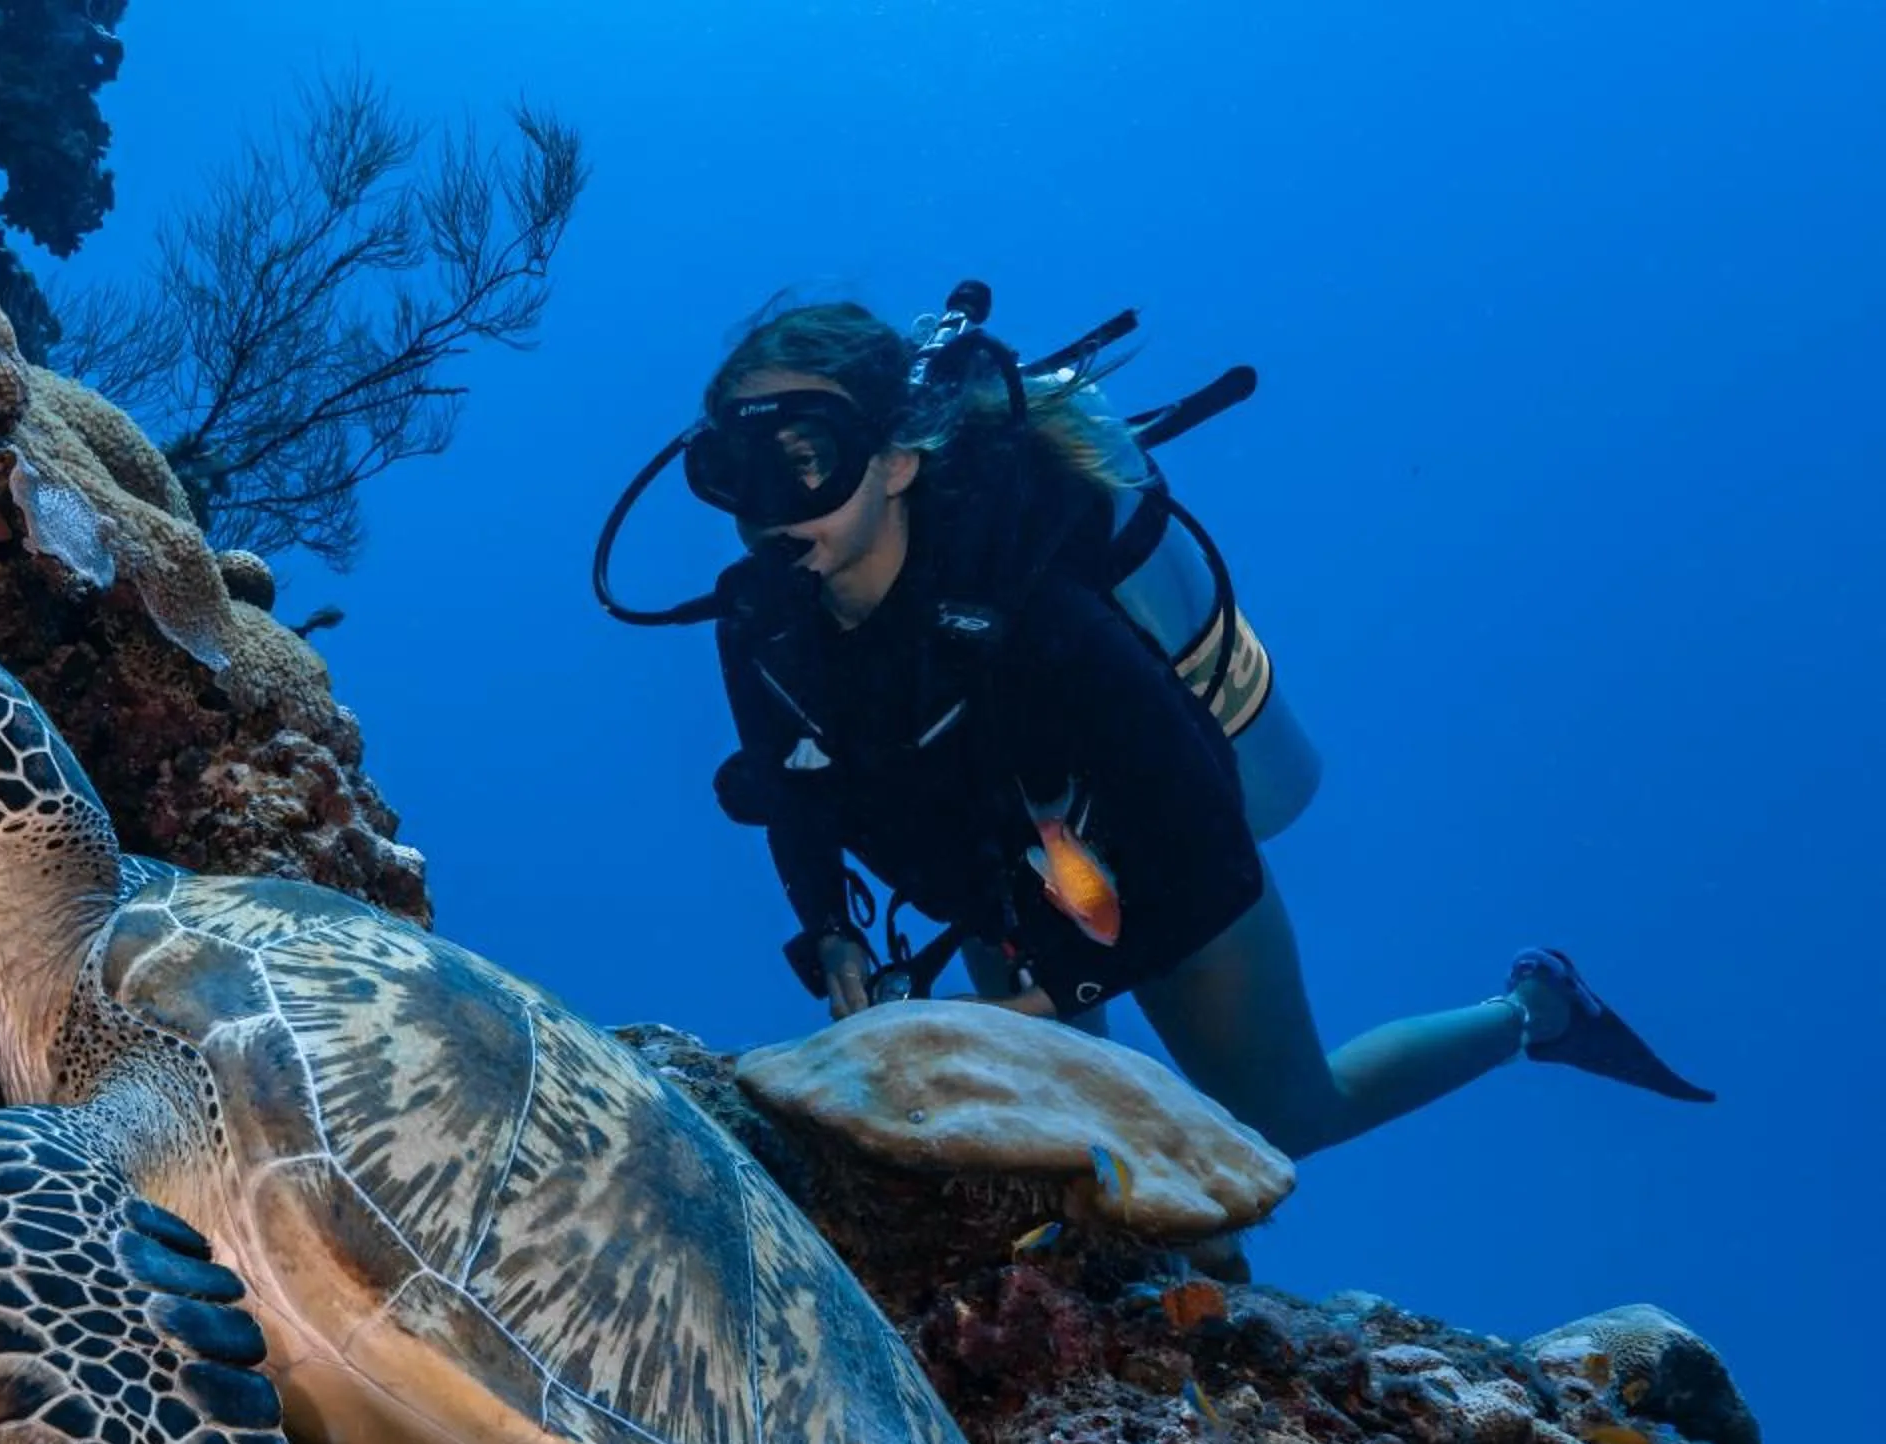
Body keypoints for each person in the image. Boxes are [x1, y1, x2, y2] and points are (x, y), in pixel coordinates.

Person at [597, 292, 1710, 1158]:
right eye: (736, 473)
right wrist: (831, 934)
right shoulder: (761, 626)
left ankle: (1537, 1006)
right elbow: (791, 791)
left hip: (1167, 874)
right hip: (1010, 895)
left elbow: (1213, 857)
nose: (770, 512)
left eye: (807, 461)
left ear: (897, 457)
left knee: (1285, 1118)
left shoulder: (1032, 612)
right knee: (1062, 1145)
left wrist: (1045, 999)